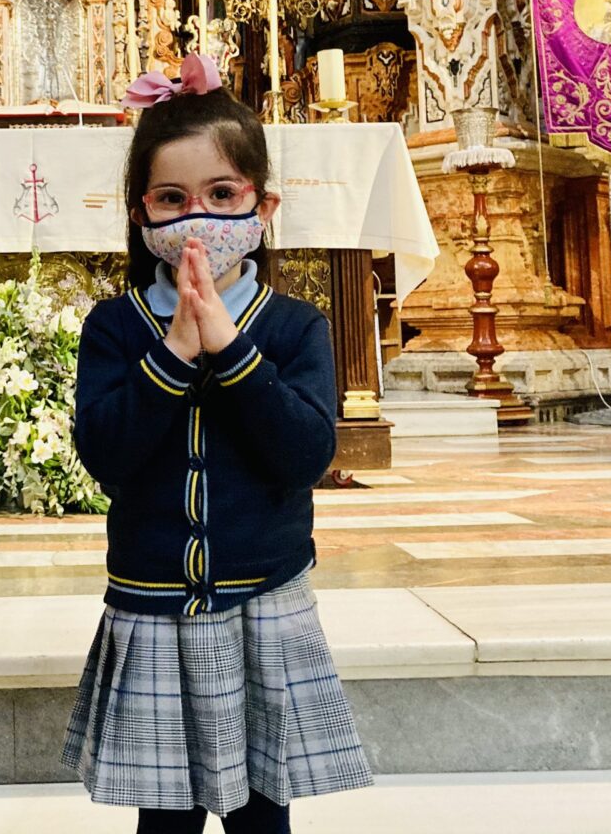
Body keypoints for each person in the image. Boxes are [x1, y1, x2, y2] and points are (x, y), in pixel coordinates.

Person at [62, 54, 373, 833]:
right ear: (141, 214)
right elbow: (106, 455)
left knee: (263, 814)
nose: (196, 215)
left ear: (262, 207)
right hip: (154, 603)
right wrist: (170, 355)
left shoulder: (294, 326)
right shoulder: (115, 328)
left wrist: (231, 351)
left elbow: (304, 455)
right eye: (172, 199)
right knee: (164, 819)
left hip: (262, 599)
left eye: (221, 195)